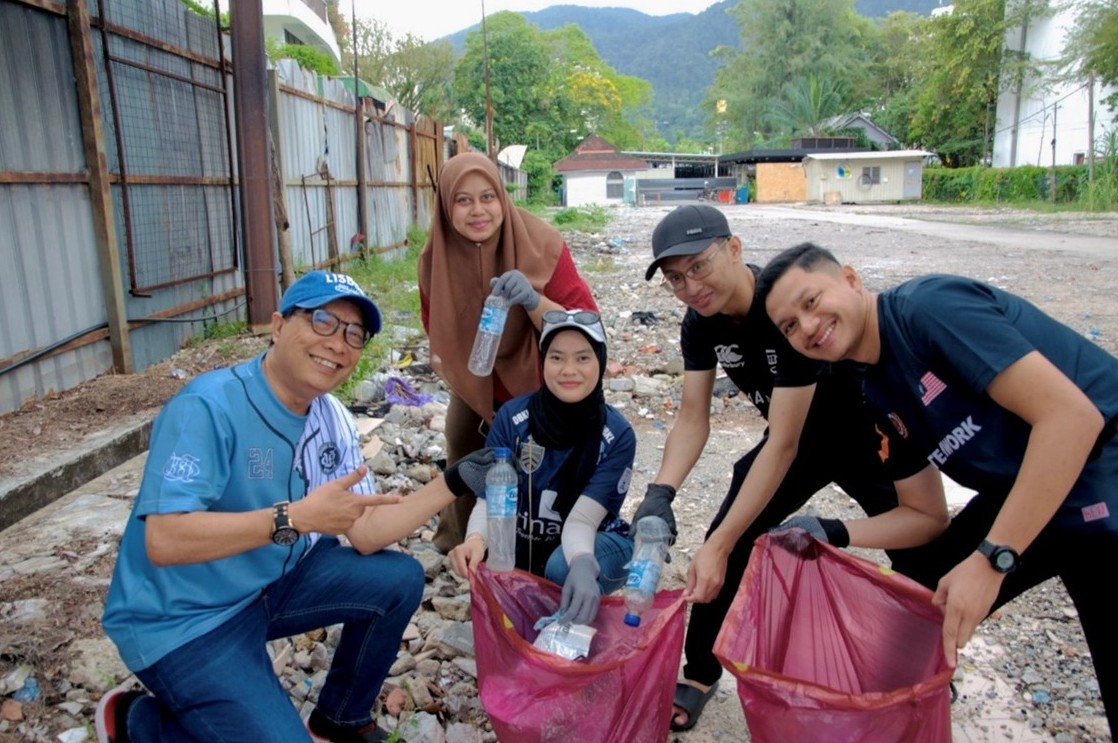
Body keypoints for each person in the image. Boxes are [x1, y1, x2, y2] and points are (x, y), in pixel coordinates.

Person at [97, 271, 494, 743]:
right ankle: (140, 724)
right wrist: (293, 518)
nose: (338, 343)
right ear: (278, 326)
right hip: (186, 619)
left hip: (270, 584)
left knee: (398, 579)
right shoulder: (207, 406)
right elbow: (163, 540)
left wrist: (456, 478)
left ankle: (341, 718)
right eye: (323, 320)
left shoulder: (330, 416)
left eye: (354, 334)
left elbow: (366, 533)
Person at [760, 243, 1118, 737]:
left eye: (811, 302)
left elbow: (1073, 418)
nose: (807, 326)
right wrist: (830, 529)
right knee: (920, 592)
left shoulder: (928, 309)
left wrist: (994, 558)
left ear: (850, 278)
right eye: (789, 327)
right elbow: (926, 517)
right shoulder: (873, 389)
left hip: (1102, 465)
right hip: (1031, 490)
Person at [630, 205, 925, 731]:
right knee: (733, 537)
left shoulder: (780, 304)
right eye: (675, 278)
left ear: (735, 249)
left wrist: (716, 543)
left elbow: (783, 443)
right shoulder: (700, 324)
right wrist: (661, 491)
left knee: (922, 546)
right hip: (792, 440)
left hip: (860, 432)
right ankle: (700, 670)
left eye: (699, 266)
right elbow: (694, 417)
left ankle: (927, 661)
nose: (690, 286)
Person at [419, 152, 598, 554]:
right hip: (477, 378)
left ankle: (560, 549)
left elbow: (586, 326)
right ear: (446, 208)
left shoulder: (543, 244)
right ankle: (463, 546)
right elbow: (436, 327)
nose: (478, 211)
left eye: (487, 197)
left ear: (503, 198)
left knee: (547, 462)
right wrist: (475, 381)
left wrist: (533, 300)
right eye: (463, 201)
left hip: (544, 377)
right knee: (463, 443)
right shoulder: (434, 260)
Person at [448, 310, 635, 625]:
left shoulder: (616, 435)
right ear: (543, 362)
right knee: (503, 584)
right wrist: (476, 540)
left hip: (593, 542)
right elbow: (489, 498)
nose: (569, 370)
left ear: (601, 362)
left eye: (583, 358)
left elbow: (581, 523)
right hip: (526, 544)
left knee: (562, 568)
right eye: (557, 358)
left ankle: (585, 614)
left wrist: (584, 565)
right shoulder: (512, 418)